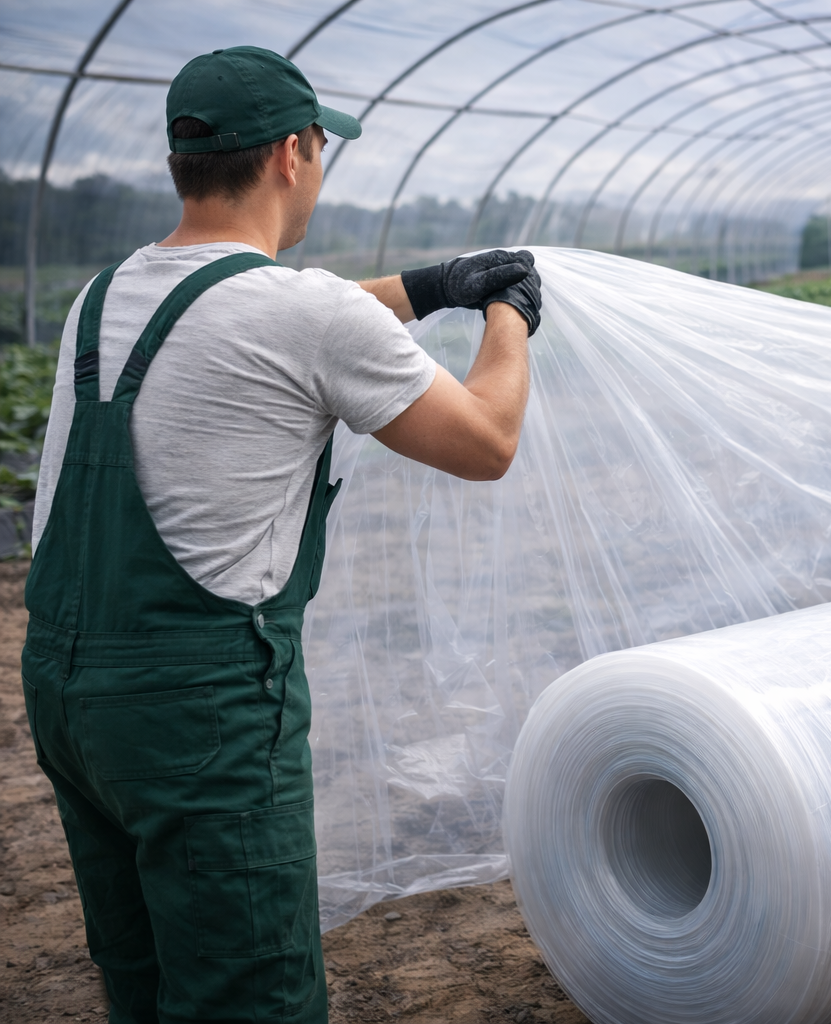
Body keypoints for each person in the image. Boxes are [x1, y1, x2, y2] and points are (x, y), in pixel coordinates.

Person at [22, 46, 542, 1023]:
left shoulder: (104, 295)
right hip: (198, 712)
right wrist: (508, 316)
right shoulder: (301, 312)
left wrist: (429, 285)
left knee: (142, 976)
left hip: (68, 692)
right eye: (320, 147)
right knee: (248, 996)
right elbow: (488, 441)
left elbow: (273, 320)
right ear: (290, 156)